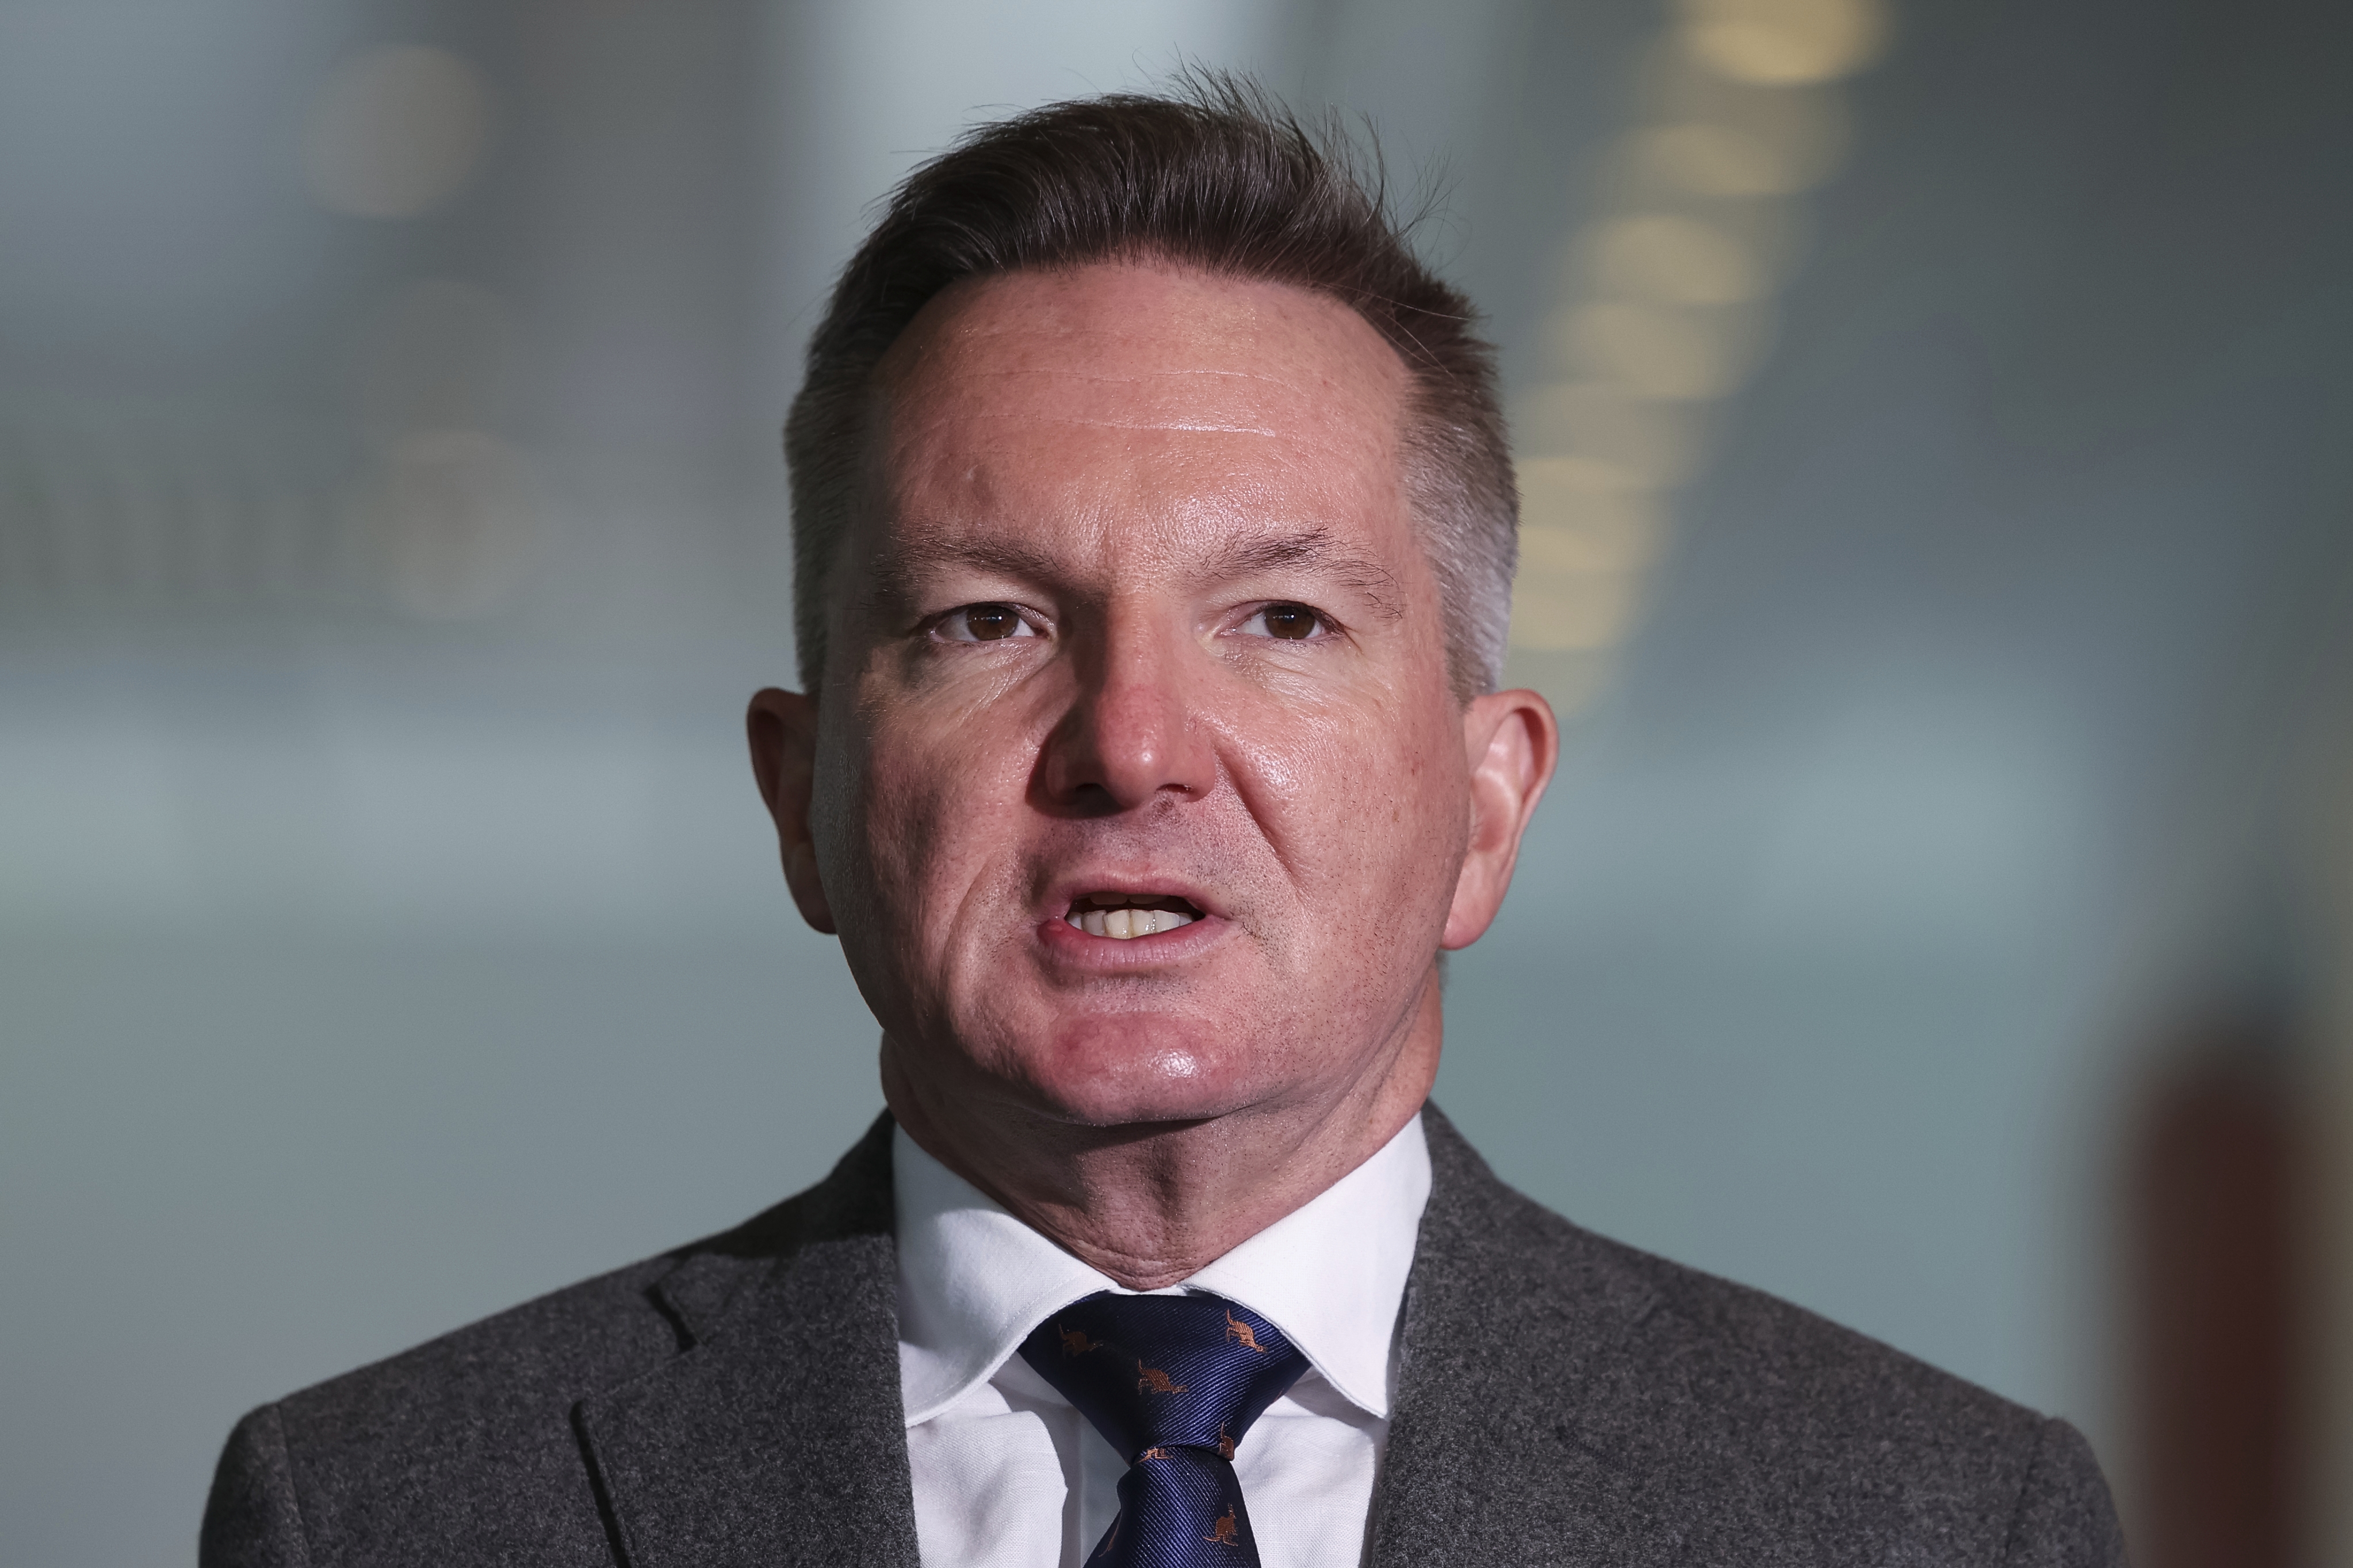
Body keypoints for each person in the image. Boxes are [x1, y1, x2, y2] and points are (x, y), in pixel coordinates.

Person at [201, 80, 2128, 1567]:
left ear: (1483, 801)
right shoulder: (375, 1510)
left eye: (1278, 621)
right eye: (988, 623)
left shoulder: (1935, 1523)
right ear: (803, 799)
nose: (1131, 745)